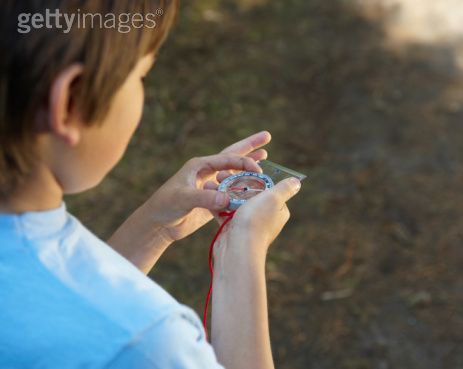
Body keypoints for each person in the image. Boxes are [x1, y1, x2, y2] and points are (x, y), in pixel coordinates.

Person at [0, 1, 302, 368]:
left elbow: (53, 311)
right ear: (69, 103)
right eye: (140, 76)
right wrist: (241, 252)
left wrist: (154, 226)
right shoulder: (146, 342)